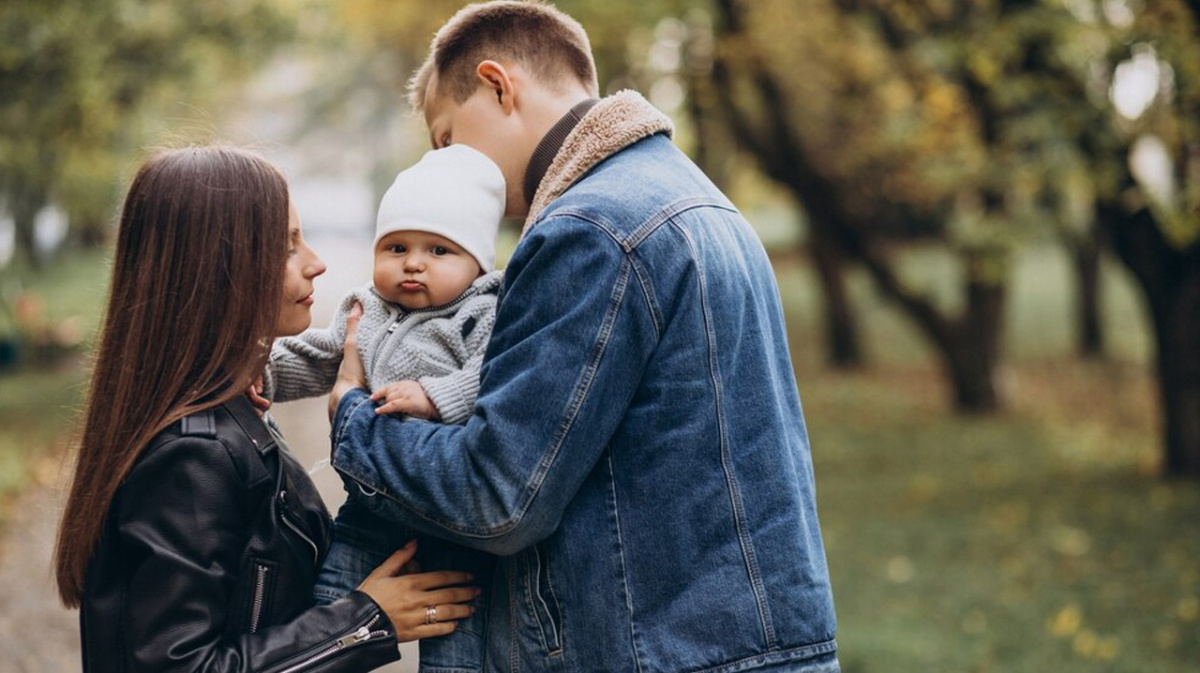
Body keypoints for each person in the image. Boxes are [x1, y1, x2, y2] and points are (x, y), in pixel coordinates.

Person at [328, 2, 841, 672]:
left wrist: (352, 419)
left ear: (498, 86)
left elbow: (499, 496)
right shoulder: (694, 198)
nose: (444, 169)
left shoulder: (588, 229)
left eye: (447, 140)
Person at [53, 146, 479, 673]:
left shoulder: (230, 407)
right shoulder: (191, 452)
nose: (317, 263)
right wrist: (365, 621)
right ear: (217, 268)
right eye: (287, 246)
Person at [263, 143, 506, 672]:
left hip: (450, 512)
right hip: (371, 508)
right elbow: (320, 358)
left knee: (457, 638)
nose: (413, 263)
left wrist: (435, 397)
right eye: (395, 247)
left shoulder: (482, 312)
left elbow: (490, 375)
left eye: (439, 251)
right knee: (329, 605)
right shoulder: (365, 308)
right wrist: (254, 374)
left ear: (476, 264)